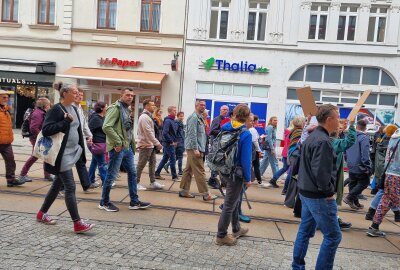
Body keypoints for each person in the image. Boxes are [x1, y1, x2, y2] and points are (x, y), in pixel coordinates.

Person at [36, 82, 94, 233]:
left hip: (73, 152)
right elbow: (47, 130)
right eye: (74, 92)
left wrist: (82, 148)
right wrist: (65, 122)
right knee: (70, 187)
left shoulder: (74, 108)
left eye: (77, 92)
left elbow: (78, 130)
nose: (77, 94)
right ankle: (77, 223)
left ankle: (42, 213)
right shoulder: (56, 109)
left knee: (57, 185)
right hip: (61, 155)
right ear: (65, 93)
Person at [292, 104, 342, 270]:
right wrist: (328, 192)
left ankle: (297, 266)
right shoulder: (322, 141)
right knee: (333, 236)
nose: (339, 121)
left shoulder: (313, 136)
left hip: (306, 191)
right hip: (318, 196)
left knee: (305, 231)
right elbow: (321, 172)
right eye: (338, 118)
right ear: (329, 120)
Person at [99, 88, 151, 212]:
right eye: (127, 95)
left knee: (133, 174)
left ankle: (134, 201)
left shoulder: (127, 109)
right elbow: (106, 127)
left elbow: (127, 129)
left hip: (127, 147)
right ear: (121, 95)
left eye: (132, 96)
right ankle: (104, 202)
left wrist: (133, 143)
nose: (130, 98)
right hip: (118, 148)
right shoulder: (114, 108)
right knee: (111, 175)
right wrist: (118, 142)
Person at [215, 104, 252, 246]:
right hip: (236, 173)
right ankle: (221, 235)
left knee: (235, 200)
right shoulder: (245, 133)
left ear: (234, 114)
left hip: (223, 170)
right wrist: (248, 178)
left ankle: (236, 228)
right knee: (229, 204)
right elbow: (245, 159)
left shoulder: (226, 127)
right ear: (247, 117)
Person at [179, 100, 217, 201]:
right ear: (196, 106)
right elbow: (192, 134)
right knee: (200, 170)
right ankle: (206, 194)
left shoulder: (199, 117)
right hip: (194, 148)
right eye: (201, 105)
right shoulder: (194, 117)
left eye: (204, 105)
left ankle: (184, 190)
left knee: (188, 170)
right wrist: (195, 148)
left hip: (198, 148)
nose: (203, 106)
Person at [367, 128, 400, 237]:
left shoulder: (394, 135)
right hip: (398, 175)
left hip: (389, 173)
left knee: (386, 201)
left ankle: (374, 227)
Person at [18, 97, 55, 182]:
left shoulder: (40, 112)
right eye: (49, 105)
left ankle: (47, 174)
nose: (50, 106)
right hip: (36, 138)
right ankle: (22, 174)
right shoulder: (38, 113)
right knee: (35, 156)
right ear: (45, 105)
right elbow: (34, 128)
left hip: (38, 137)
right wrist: (41, 137)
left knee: (46, 155)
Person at [330, 119, 356, 230]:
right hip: (331, 174)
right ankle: (335, 220)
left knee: (327, 199)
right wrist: (351, 125)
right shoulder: (334, 142)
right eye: (338, 128)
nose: (340, 130)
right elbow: (350, 141)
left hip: (330, 174)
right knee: (329, 198)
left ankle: (335, 218)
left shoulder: (330, 139)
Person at [343, 119, 372, 210]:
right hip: (360, 165)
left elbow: (345, 150)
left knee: (353, 183)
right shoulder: (364, 138)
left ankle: (355, 202)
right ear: (365, 128)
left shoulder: (349, 136)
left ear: (356, 126)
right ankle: (349, 198)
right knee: (364, 183)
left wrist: (347, 160)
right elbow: (365, 154)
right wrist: (368, 166)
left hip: (351, 163)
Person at [136, 99, 163, 191]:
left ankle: (153, 182)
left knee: (152, 163)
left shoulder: (148, 116)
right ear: (146, 106)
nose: (154, 107)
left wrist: (154, 143)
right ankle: (135, 183)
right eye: (152, 105)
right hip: (145, 145)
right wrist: (157, 143)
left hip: (150, 145)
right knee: (141, 164)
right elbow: (148, 132)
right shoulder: (144, 117)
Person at [0, 90, 25, 187]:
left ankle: (11, 180)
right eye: (4, 97)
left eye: (7, 97)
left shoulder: (5, 110)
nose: (6, 99)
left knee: (10, 161)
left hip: (6, 142)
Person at [73, 88, 94, 191]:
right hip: (70, 140)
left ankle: (86, 185)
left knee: (81, 161)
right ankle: (62, 186)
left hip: (79, 139)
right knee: (66, 163)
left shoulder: (80, 108)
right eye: (77, 94)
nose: (79, 96)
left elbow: (84, 124)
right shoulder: (69, 107)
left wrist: (89, 136)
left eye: (81, 95)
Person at [155, 106, 179, 182]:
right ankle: (174, 176)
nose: (176, 112)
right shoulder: (168, 121)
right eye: (174, 111)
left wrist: (175, 141)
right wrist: (171, 141)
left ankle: (157, 173)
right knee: (173, 159)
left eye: (176, 110)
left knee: (165, 159)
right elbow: (165, 132)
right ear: (170, 111)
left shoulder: (172, 120)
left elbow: (173, 132)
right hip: (168, 144)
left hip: (170, 143)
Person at [208, 105, 229, 189]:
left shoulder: (226, 120)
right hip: (216, 145)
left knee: (221, 162)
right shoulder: (217, 120)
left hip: (222, 144)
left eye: (227, 110)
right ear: (220, 110)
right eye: (224, 109)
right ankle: (212, 180)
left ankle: (223, 181)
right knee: (216, 162)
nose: (225, 111)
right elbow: (212, 131)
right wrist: (223, 131)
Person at [88, 101, 108, 187]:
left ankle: (90, 180)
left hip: (101, 143)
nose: (107, 108)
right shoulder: (96, 118)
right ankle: (106, 182)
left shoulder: (102, 117)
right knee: (102, 163)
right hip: (97, 144)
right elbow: (89, 130)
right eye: (106, 107)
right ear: (102, 108)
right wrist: (90, 141)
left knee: (94, 163)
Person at [259, 116, 279, 187]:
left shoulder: (271, 127)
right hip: (270, 148)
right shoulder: (270, 127)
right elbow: (269, 139)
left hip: (269, 148)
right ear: (271, 121)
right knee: (274, 163)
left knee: (265, 162)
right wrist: (272, 148)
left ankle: (258, 175)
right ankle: (275, 179)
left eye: (276, 120)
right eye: (274, 120)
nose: (276, 121)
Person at [248, 115, 262, 185]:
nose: (257, 122)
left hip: (252, 149)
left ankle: (256, 179)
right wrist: (259, 150)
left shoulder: (252, 129)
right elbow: (255, 141)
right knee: (256, 165)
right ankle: (258, 180)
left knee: (253, 165)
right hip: (254, 150)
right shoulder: (252, 129)